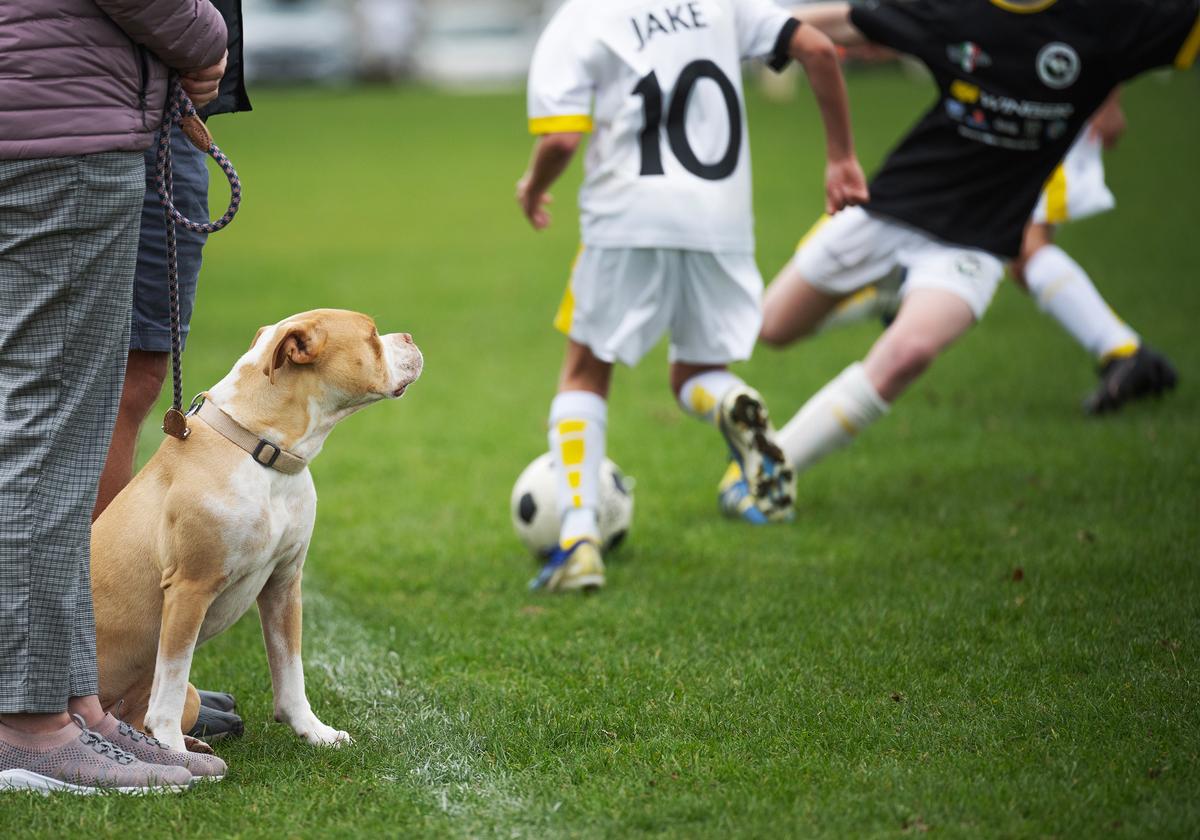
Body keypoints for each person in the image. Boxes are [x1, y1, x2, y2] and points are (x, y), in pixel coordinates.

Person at [744, 0, 1198, 487]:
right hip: (891, 207)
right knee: (770, 327)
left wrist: (1108, 95)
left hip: (979, 239)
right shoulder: (954, 11)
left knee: (909, 352)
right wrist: (723, 36)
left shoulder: (1109, 20)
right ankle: (893, 289)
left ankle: (765, 474)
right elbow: (847, 21)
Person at [517, 0, 869, 592]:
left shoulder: (579, 19)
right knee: (696, 371)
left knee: (584, 372)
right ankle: (730, 397)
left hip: (627, 217)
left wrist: (533, 187)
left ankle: (578, 540)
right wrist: (841, 156)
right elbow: (817, 47)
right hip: (721, 222)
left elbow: (560, 140)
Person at [0, 0, 230, 794]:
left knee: (62, 429)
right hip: (58, 121)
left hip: (56, 111)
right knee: (45, 429)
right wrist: (204, 36)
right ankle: (28, 726)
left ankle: (74, 706)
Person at [91, 0, 253, 745]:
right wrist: (201, 38)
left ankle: (110, 671)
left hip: (155, 98)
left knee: (128, 377)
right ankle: (90, 679)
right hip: (118, 96)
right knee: (104, 387)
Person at [820, 91, 1179, 415]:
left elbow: (1103, 18)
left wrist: (1107, 99)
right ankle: (1123, 352)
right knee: (1025, 255)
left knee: (1027, 245)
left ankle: (1124, 353)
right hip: (1017, 106)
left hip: (1046, 110)